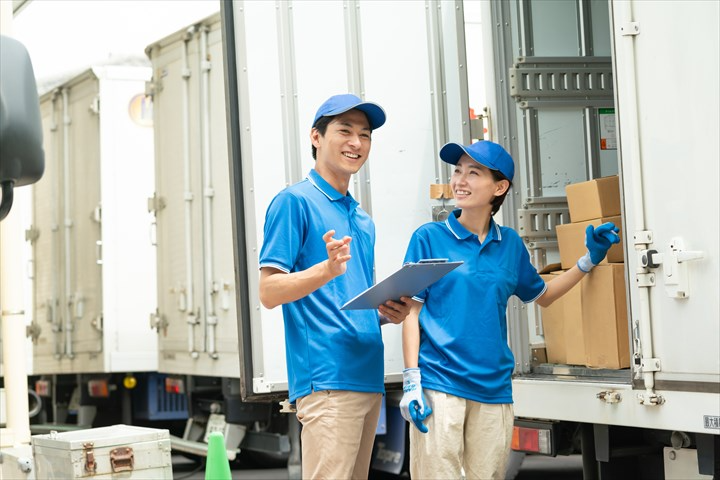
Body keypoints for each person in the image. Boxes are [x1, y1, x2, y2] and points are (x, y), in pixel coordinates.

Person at [399, 140, 620, 480]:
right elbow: (411, 312)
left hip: (493, 389)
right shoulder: (429, 237)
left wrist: (588, 260)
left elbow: (543, 295)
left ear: (499, 187)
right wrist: (412, 380)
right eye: (457, 170)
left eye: (473, 173)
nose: (460, 180)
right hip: (440, 384)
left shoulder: (510, 244)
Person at [258, 94, 412, 479]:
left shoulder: (362, 219)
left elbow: (343, 301)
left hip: (367, 377)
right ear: (316, 137)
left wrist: (382, 314)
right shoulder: (294, 202)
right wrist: (325, 270)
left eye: (365, 134)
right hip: (326, 379)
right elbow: (269, 292)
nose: (356, 143)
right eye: (344, 130)